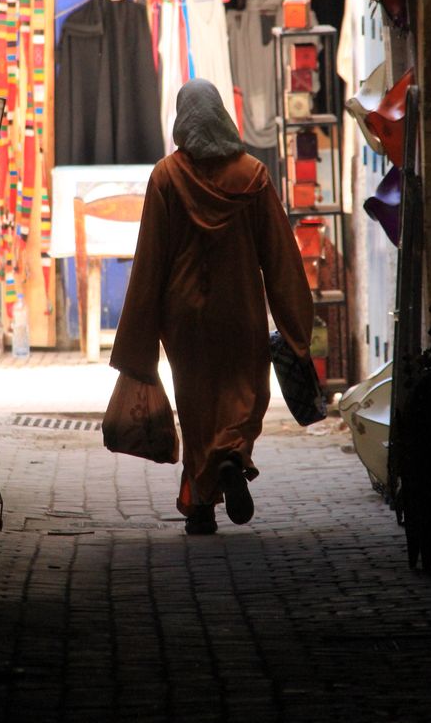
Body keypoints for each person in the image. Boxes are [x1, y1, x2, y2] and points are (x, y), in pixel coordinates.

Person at [110, 78, 314, 534]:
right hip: (239, 310)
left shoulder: (166, 176)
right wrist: (297, 325)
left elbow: (150, 260)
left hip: (183, 317)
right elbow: (280, 257)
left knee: (197, 408)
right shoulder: (253, 176)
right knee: (245, 394)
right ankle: (232, 457)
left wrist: (138, 341)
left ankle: (202, 504)